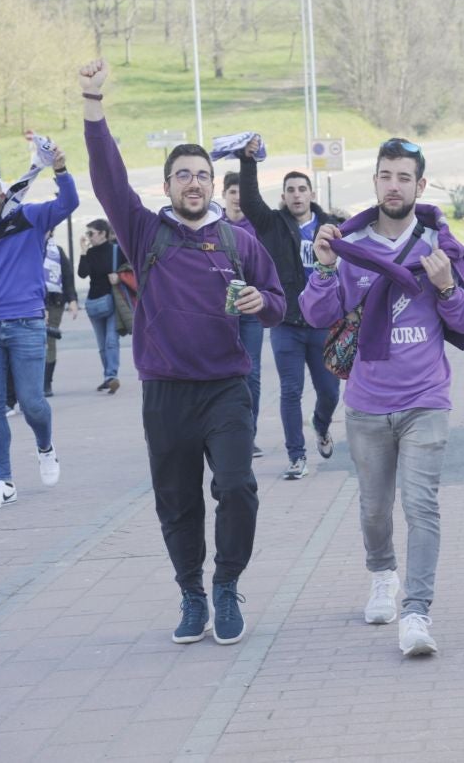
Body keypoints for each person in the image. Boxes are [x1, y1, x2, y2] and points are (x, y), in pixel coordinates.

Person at [80, 58, 286, 645]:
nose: (194, 182)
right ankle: (192, 593)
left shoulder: (237, 240)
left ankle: (226, 583)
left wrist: (260, 306)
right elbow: (106, 179)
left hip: (226, 387)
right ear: (167, 186)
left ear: (209, 182)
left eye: (201, 173)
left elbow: (277, 299)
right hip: (165, 391)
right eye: (183, 175)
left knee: (238, 487)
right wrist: (94, 105)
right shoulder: (146, 232)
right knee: (176, 502)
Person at [301, 138, 464, 658]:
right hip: (366, 402)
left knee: (421, 506)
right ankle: (382, 575)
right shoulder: (348, 245)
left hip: (426, 398)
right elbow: (316, 316)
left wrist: (447, 288)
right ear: (375, 181)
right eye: (386, 176)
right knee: (375, 508)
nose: (395, 185)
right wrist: (323, 267)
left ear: (420, 185)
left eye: (405, 177)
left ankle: (417, 613)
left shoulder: (438, 246)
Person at [0, 148, 79, 510]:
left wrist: (61, 169)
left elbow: (69, 202)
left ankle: (45, 446)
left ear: (2, 196)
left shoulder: (30, 218)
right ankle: (3, 482)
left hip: (27, 323)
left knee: (33, 403)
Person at [238, 156, 341, 479]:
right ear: (283, 196)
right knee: (290, 391)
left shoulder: (331, 225)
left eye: (302, 189)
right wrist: (247, 161)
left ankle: (321, 426)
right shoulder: (272, 224)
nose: (296, 195)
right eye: (290, 190)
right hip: (286, 323)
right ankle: (296, 456)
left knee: (329, 391)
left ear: (311, 194)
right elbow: (250, 200)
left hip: (323, 324)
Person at [222, 171, 264, 457]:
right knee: (222, 373)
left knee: (252, 373)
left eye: (241, 193)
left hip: (249, 310)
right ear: (224, 195)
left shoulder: (257, 226)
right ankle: (224, 432)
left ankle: (249, 434)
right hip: (219, 312)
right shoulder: (214, 226)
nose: (237, 199)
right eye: (232, 193)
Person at [78, 219, 124, 393]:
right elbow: (82, 274)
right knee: (102, 344)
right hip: (94, 302)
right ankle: (108, 376)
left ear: (103, 233)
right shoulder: (89, 253)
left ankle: (111, 375)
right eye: (87, 233)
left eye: (91, 233)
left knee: (111, 340)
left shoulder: (116, 250)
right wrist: (83, 251)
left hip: (112, 300)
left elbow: (131, 268)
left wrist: (119, 277)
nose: (88, 237)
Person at [41, 230, 79, 397]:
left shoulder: (57, 251)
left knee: (50, 340)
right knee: (30, 342)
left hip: (55, 302)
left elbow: (68, 276)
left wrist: (72, 300)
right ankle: (30, 381)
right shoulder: (26, 249)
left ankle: (46, 382)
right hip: (31, 303)